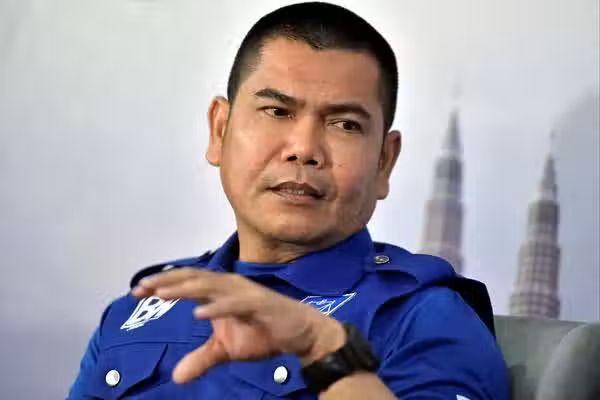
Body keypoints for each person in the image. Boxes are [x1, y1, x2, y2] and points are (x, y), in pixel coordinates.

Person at [68, 2, 509, 399]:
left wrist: (325, 352)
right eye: (277, 112)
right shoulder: (137, 312)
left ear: (383, 162)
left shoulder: (425, 318)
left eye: (345, 124)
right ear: (219, 130)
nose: (304, 149)